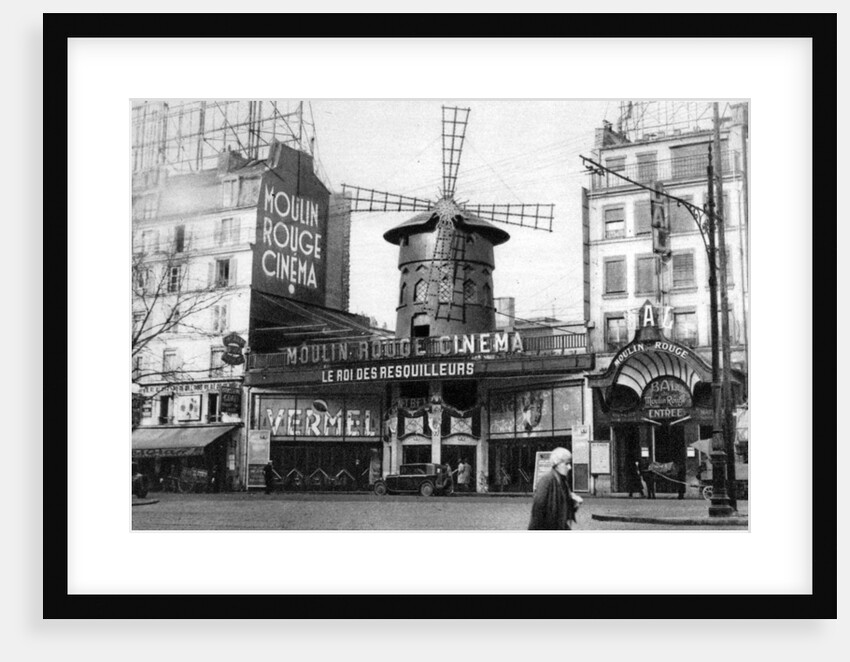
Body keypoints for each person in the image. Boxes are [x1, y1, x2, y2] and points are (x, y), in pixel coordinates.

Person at [528, 447, 580, 530]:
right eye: (566, 464)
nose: (569, 467)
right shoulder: (546, 481)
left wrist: (574, 504)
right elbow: (538, 511)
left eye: (569, 463)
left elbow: (565, 512)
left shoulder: (563, 481)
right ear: (556, 464)